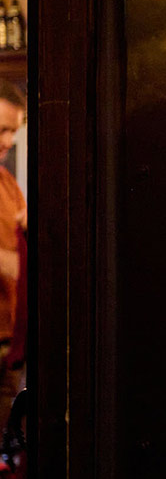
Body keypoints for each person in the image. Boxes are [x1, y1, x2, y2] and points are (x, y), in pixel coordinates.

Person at [0, 80, 26, 430]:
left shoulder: (7, 182)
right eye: (2, 130)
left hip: (9, 341)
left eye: (13, 132)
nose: (7, 142)